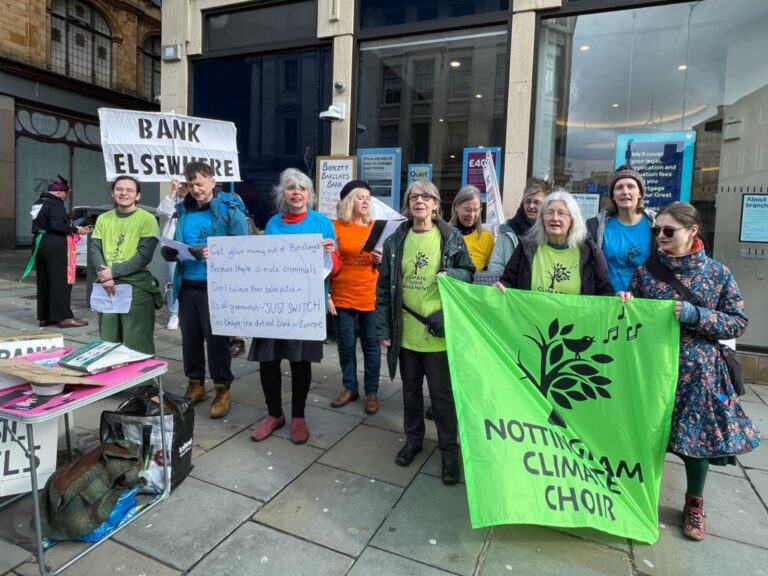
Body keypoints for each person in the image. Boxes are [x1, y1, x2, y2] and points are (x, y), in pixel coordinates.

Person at [624, 202, 760, 541]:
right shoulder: (645, 272)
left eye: (669, 231)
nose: (661, 237)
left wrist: (695, 315)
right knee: (648, 437)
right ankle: (638, 495)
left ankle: (695, 504)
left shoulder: (718, 274)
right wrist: (625, 301)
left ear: (692, 231)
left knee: (694, 443)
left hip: (699, 375)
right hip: (653, 369)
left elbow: (737, 322)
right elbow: (633, 318)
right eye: (657, 230)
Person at [375, 179, 475, 486]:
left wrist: (452, 272)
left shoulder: (450, 237)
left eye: (426, 196)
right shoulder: (396, 241)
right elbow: (383, 290)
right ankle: (413, 440)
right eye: (414, 196)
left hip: (438, 334)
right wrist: (383, 328)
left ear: (435, 205)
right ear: (408, 204)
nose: (419, 201)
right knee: (410, 391)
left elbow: (469, 274)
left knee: (443, 397)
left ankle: (448, 451)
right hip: (406, 333)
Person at [249, 168, 338, 445]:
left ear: (310, 195)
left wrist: (329, 254)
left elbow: (336, 269)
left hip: (305, 306)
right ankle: (274, 413)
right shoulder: (273, 224)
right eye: (290, 187)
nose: (296, 192)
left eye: (302, 188)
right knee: (268, 360)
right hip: (273, 305)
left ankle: (298, 416)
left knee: (300, 363)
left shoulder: (322, 223)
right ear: (282, 194)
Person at [160, 162, 249, 419]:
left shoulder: (229, 209)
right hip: (188, 282)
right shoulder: (183, 210)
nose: (196, 189)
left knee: (217, 340)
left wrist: (216, 251)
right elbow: (178, 241)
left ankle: (222, 388)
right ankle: (196, 383)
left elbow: (242, 247)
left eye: (200, 183)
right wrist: (171, 251)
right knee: (190, 338)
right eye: (191, 184)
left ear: (212, 180)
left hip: (217, 285)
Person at [328, 180, 383, 414]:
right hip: (342, 296)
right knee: (346, 345)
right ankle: (350, 387)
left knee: (371, 346)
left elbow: (387, 265)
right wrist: (327, 294)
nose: (365, 201)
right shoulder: (336, 226)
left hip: (370, 296)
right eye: (360, 197)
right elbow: (327, 263)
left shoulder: (377, 227)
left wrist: (381, 260)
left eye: (368, 197)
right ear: (349, 200)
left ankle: (372, 392)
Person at [496, 189, 613, 296]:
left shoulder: (589, 251)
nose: (555, 218)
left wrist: (620, 299)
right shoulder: (527, 246)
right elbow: (509, 281)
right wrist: (501, 287)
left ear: (572, 219)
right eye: (549, 212)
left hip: (574, 319)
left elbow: (604, 291)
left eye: (561, 213)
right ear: (542, 218)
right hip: (533, 318)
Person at [91, 176, 161, 354]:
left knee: (136, 339)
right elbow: (95, 249)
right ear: (112, 193)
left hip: (135, 285)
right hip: (106, 285)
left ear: (138, 195)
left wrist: (112, 273)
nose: (124, 193)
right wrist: (104, 276)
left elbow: (144, 256)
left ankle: (141, 381)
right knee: (108, 339)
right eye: (119, 189)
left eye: (130, 190)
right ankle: (114, 379)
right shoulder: (103, 219)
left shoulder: (147, 219)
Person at [29, 176, 90, 328]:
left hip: (40, 244)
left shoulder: (39, 203)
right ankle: (64, 317)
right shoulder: (55, 204)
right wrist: (77, 229)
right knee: (61, 282)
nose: (66, 196)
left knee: (45, 281)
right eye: (66, 193)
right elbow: (57, 225)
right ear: (59, 193)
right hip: (55, 246)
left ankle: (45, 316)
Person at [586, 165, 655, 292]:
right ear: (612, 195)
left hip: (645, 302)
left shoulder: (656, 225)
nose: (625, 192)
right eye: (619, 187)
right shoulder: (595, 226)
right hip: (608, 300)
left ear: (640, 193)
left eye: (631, 186)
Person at [488, 177, 550, 272]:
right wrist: (504, 282)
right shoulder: (508, 229)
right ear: (522, 202)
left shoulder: (550, 231)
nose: (531, 206)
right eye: (528, 201)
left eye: (537, 202)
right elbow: (496, 265)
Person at [156, 178, 187, 330]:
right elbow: (162, 211)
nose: (185, 187)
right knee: (173, 281)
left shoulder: (197, 202)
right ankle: (174, 313)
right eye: (182, 184)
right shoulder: (172, 200)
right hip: (172, 247)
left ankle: (187, 312)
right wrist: (173, 190)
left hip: (190, 245)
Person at [449, 185, 494, 271]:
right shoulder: (445, 233)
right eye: (467, 210)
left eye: (476, 210)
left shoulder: (486, 237)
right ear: (456, 207)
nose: (472, 215)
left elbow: (490, 271)